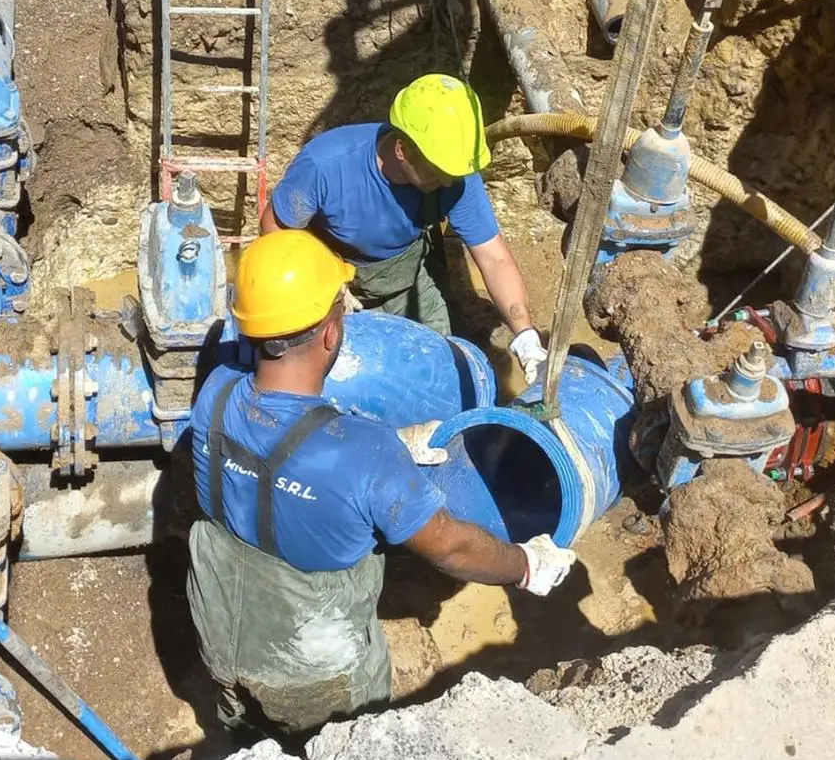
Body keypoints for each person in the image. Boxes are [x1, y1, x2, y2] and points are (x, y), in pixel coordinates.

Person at [186, 229, 578, 734]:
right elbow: (453, 548)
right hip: (313, 666)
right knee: (343, 739)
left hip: (219, 624)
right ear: (331, 332)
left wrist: (384, 452)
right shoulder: (365, 454)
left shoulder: (213, 395)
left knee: (241, 728)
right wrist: (526, 564)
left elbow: (277, 453)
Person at [261, 72, 548, 382]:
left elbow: (495, 258)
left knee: (439, 373)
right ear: (402, 150)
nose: (450, 181)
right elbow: (275, 229)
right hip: (330, 284)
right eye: (439, 171)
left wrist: (526, 336)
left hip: (405, 282)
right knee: (345, 381)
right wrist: (324, 284)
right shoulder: (327, 165)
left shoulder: (455, 176)